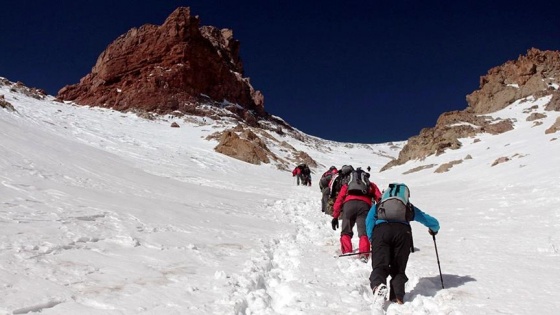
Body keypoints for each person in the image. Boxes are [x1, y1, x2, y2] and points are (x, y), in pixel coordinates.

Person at [365, 183, 440, 305]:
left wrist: (371, 238)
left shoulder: (379, 205)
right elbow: (431, 221)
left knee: (379, 265)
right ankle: (397, 297)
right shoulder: (407, 207)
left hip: (381, 232)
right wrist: (434, 229)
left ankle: (378, 286)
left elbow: (369, 220)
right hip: (402, 233)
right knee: (398, 269)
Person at [331, 168, 381, 261]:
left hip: (348, 205)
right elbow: (379, 198)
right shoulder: (370, 185)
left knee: (346, 230)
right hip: (364, 206)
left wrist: (335, 216)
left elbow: (339, 199)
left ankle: (347, 251)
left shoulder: (347, 185)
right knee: (363, 231)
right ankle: (364, 254)